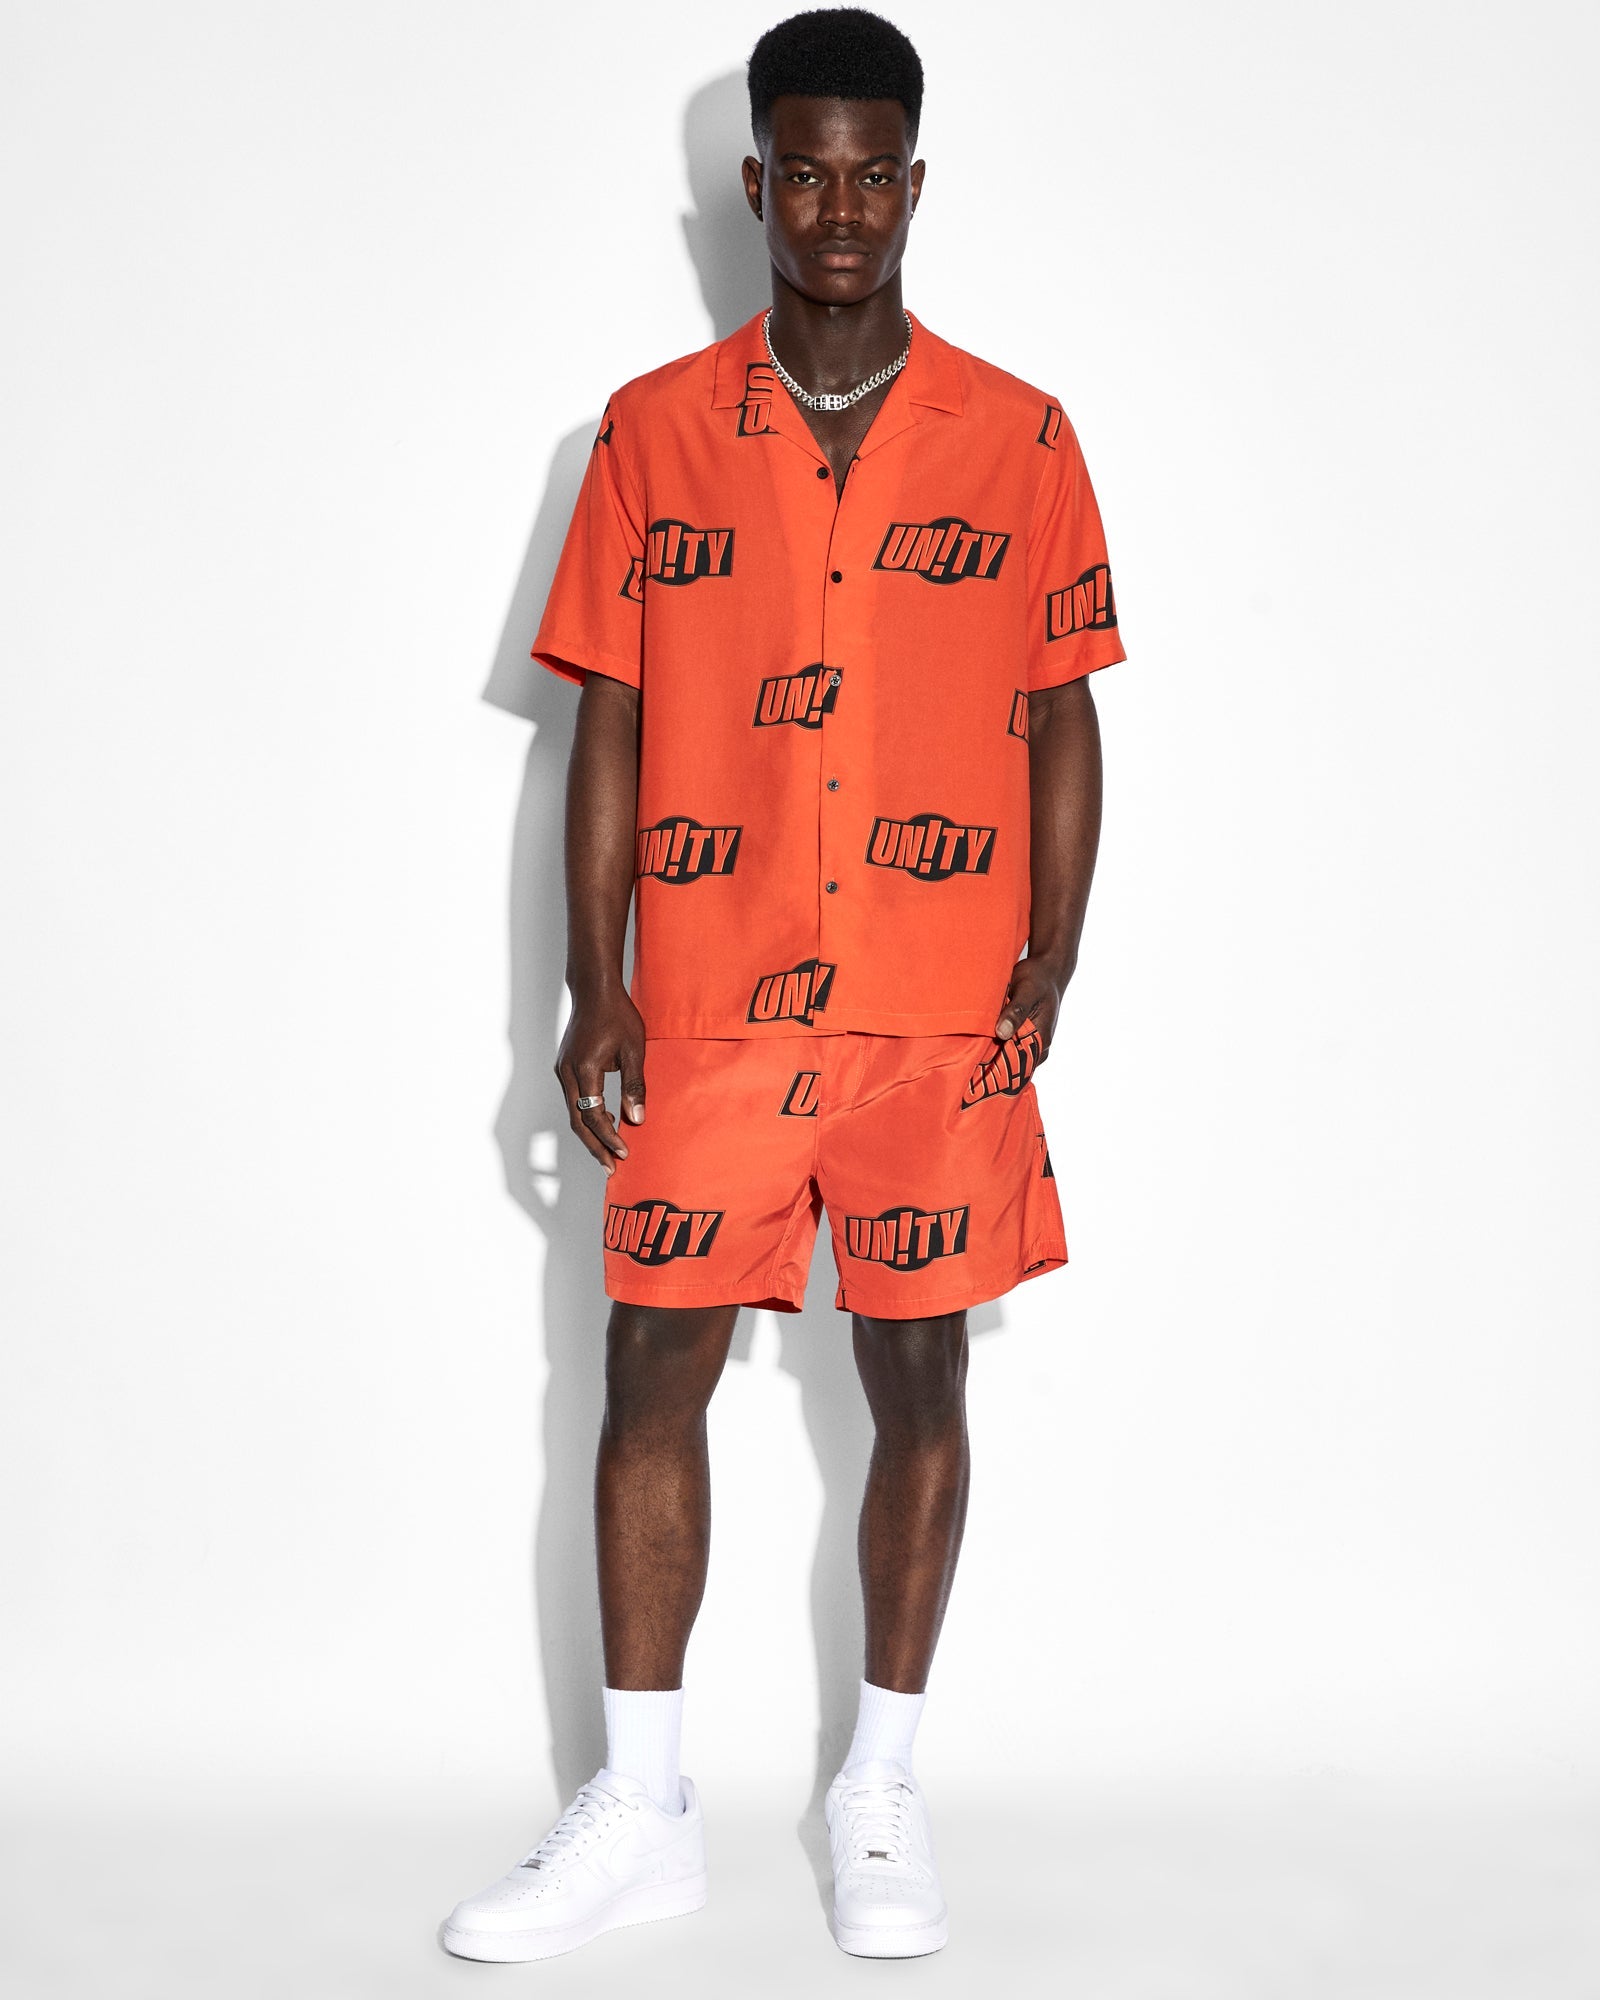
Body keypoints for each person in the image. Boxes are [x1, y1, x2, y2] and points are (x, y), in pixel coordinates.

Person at [441, 4, 1125, 1965]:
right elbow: (606, 721)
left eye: (870, 175)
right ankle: (640, 1808)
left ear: (913, 185)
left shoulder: (1019, 436)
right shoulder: (650, 431)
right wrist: (593, 988)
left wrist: (1053, 946)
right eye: (802, 174)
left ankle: (878, 1786)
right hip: (712, 1001)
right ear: (752, 184)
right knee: (645, 1373)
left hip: (933, 1006)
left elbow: (1063, 706)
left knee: (917, 1376)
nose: (837, 209)